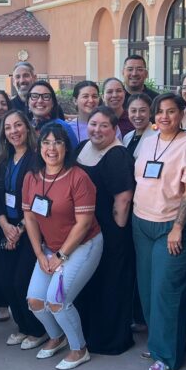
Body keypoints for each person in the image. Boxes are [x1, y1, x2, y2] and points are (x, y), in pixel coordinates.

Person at [131, 92, 186, 370]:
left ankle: (167, 356)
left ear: (181, 113)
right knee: (148, 289)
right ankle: (161, 343)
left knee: (167, 291)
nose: (164, 116)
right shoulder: (148, 141)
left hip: (172, 227)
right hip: (142, 223)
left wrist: (177, 227)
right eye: (160, 111)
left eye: (171, 111)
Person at [22, 125, 104, 370]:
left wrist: (60, 255)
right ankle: (57, 337)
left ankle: (79, 349)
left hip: (82, 245)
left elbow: (84, 224)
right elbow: (30, 218)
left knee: (57, 301)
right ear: (39, 147)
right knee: (35, 301)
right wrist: (40, 253)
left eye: (57, 142)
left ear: (66, 147)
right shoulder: (31, 177)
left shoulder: (78, 177)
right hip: (49, 247)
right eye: (46, 142)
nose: (51, 148)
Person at [75, 107, 136, 355]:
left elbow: (123, 199)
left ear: (114, 129)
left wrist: (116, 234)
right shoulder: (82, 147)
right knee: (88, 282)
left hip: (110, 231)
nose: (97, 130)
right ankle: (86, 333)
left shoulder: (118, 155)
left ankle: (109, 339)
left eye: (104, 126)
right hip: (84, 230)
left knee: (110, 285)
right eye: (93, 124)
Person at [0, 110, 47, 349]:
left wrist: (20, 228)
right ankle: (22, 327)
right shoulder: (1, 161)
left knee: (21, 281)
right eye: (8, 127)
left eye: (18, 125)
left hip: (32, 229)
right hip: (7, 228)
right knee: (4, 281)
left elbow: (42, 198)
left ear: (27, 128)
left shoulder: (38, 159)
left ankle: (37, 330)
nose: (14, 131)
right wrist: (6, 226)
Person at [28, 79, 78, 146]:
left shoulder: (63, 127)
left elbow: (74, 151)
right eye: (34, 96)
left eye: (46, 97)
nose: (40, 101)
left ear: (53, 103)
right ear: (28, 102)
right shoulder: (24, 126)